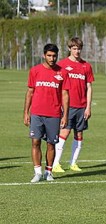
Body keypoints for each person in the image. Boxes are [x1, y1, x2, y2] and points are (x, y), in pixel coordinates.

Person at [23, 43, 69, 183]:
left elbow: (65, 94)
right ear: (44, 55)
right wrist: (26, 112)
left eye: (54, 55)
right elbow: (30, 92)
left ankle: (48, 172)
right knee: (35, 142)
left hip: (54, 114)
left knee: (51, 144)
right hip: (37, 113)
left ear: (57, 56)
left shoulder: (63, 72)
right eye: (49, 55)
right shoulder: (35, 71)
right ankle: (37, 172)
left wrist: (65, 115)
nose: (52, 58)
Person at [52, 37, 95, 173]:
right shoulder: (62, 65)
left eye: (79, 49)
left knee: (79, 134)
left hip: (82, 107)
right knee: (64, 132)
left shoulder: (86, 66)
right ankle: (55, 164)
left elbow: (89, 87)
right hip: (68, 106)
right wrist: (59, 104)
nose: (77, 51)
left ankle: (73, 163)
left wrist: (88, 107)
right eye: (74, 48)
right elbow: (57, 85)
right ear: (69, 49)